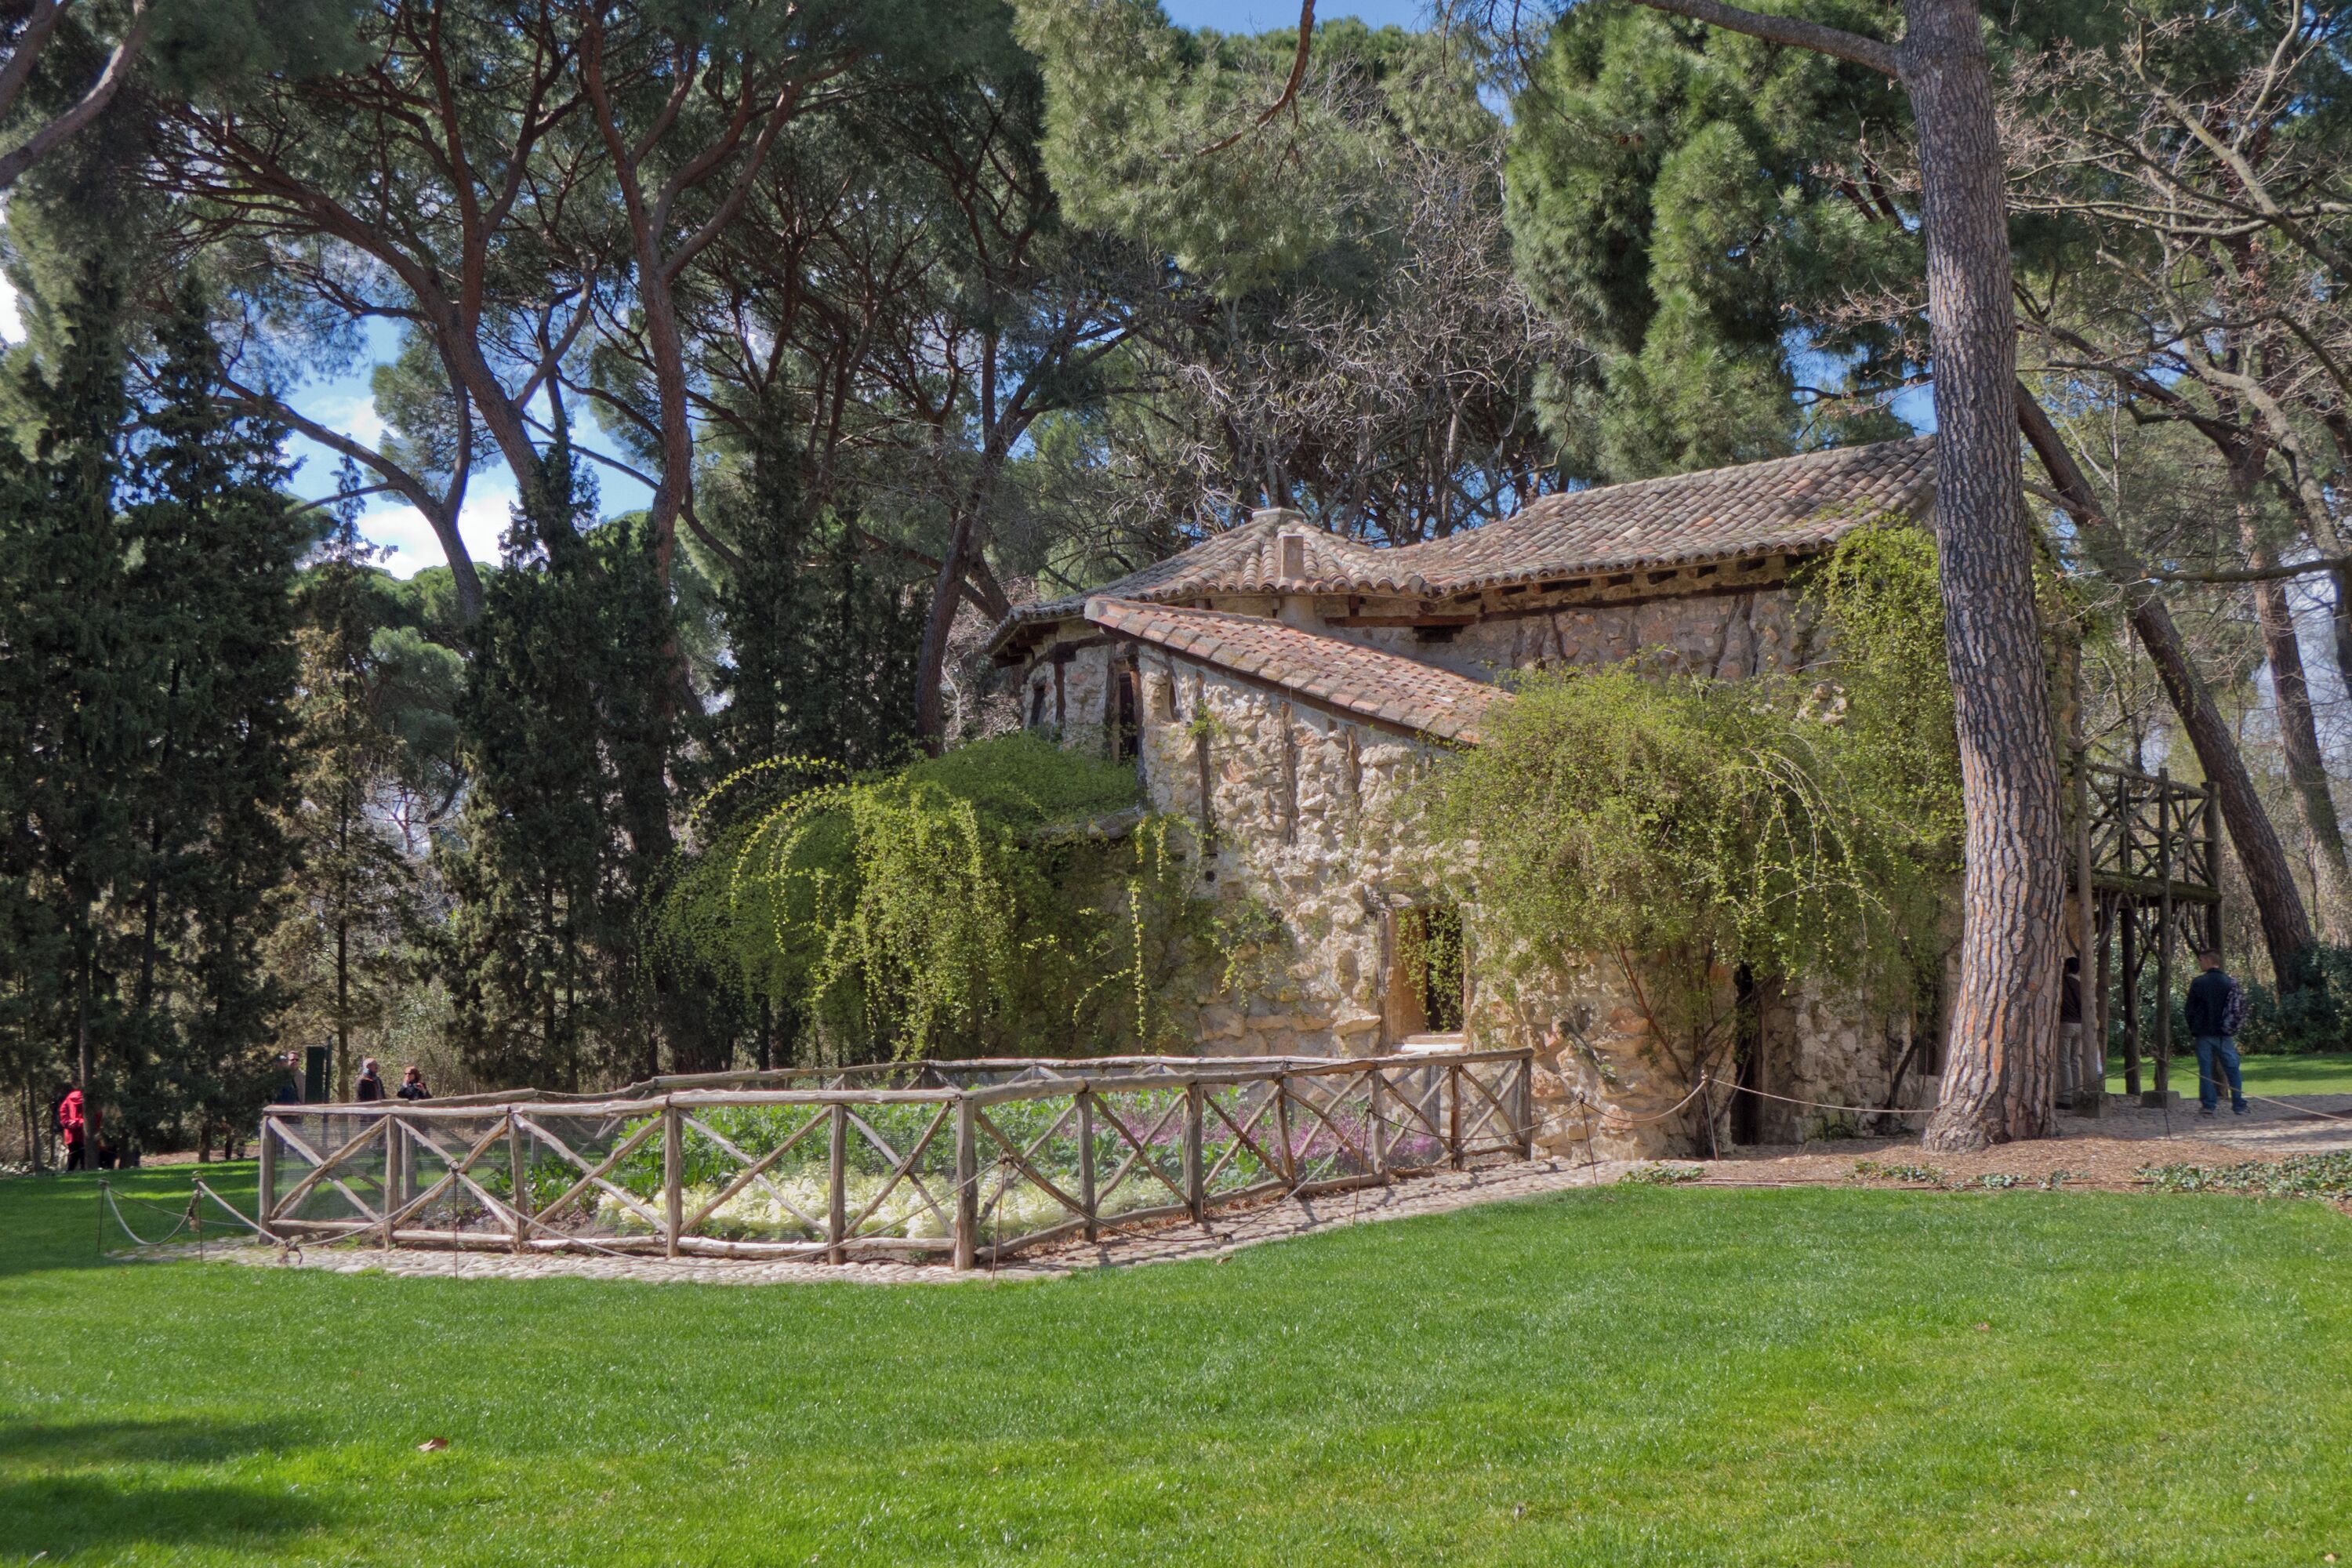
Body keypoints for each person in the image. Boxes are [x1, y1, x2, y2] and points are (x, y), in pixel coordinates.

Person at [2183, 948, 2249, 1116]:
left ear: (2207, 961)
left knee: (2205, 1069)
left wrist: (2194, 1027)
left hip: (2204, 1032)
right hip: (2225, 1032)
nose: (2199, 963)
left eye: (2201, 960)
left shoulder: (2198, 983)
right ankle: (2238, 1104)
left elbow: (2190, 1009)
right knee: (2232, 1068)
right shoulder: (2230, 982)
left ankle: (2208, 1105)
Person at [56, 1082, 86, 1171]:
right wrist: (81, 1122)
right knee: (83, 1156)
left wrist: (69, 1123)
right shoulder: (90, 1099)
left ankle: (69, 1172)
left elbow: (63, 1112)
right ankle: (85, 1173)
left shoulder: (69, 1097)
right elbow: (96, 1117)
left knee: (73, 1155)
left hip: (71, 1134)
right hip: (84, 1133)